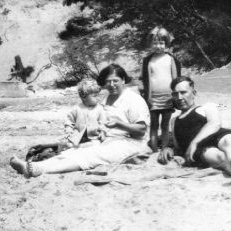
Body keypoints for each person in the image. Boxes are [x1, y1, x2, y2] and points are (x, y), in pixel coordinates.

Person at [10, 64, 151, 177]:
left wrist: (119, 124)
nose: (112, 85)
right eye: (108, 82)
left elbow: (141, 131)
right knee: (73, 151)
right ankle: (31, 166)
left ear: (124, 80)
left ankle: (36, 170)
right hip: (107, 141)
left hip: (132, 144)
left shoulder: (133, 100)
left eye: (116, 81)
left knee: (91, 156)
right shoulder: (106, 99)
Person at [158, 76, 231, 182]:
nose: (179, 97)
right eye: (175, 94)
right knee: (216, 156)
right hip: (201, 149)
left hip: (217, 136)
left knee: (230, 140)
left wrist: (194, 142)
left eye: (183, 92)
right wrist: (169, 149)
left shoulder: (206, 107)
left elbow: (215, 123)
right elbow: (178, 146)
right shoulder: (174, 121)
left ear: (194, 93)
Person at [141, 26, 181, 152]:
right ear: (150, 44)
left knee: (165, 125)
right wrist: (148, 97)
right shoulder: (148, 60)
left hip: (168, 97)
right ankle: (153, 149)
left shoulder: (170, 59)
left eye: (161, 43)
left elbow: (175, 78)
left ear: (166, 43)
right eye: (155, 43)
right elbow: (146, 79)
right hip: (153, 98)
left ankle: (164, 147)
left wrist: (175, 96)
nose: (158, 46)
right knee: (153, 125)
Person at [64, 78, 107, 147]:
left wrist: (102, 132)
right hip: (78, 137)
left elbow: (103, 122)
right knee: (68, 144)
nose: (98, 98)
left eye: (98, 95)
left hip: (94, 137)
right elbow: (69, 122)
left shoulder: (99, 109)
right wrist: (69, 131)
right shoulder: (76, 109)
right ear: (84, 97)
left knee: (96, 144)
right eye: (94, 96)